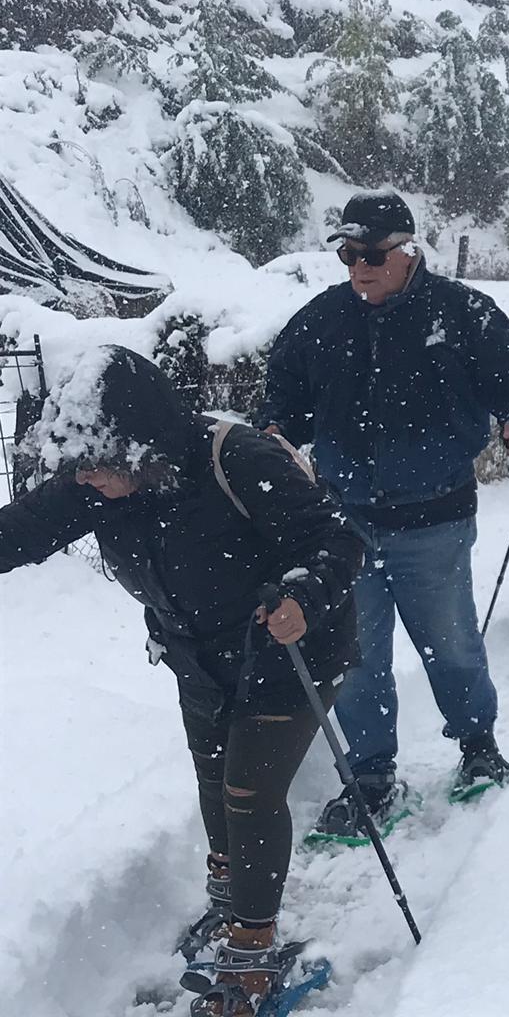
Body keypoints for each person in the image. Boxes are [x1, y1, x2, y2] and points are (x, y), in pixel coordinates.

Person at [0, 347, 363, 1016]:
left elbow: (335, 538)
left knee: (249, 793)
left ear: (143, 447)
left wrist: (302, 598)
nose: (90, 478)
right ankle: (230, 905)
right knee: (214, 779)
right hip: (200, 659)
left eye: (102, 464)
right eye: (81, 465)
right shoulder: (97, 481)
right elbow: (19, 532)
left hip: (291, 651)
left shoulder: (235, 459)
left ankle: (252, 952)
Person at [258, 189, 509, 838]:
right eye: (347, 253)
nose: (358, 266)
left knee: (450, 641)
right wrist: (278, 431)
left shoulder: (460, 313)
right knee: (356, 655)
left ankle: (477, 744)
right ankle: (370, 774)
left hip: (436, 518)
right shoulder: (323, 320)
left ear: (406, 251)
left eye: (370, 253)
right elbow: (281, 390)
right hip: (344, 524)